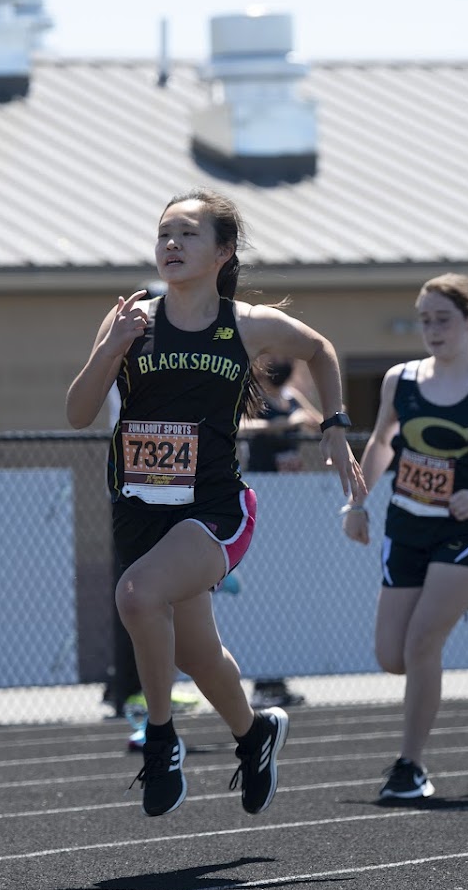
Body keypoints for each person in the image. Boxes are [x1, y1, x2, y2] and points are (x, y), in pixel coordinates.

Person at [66, 188, 364, 818]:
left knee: (136, 596)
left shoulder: (247, 324)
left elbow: (320, 350)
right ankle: (255, 734)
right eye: (163, 233)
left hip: (216, 508)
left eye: (187, 234)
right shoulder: (131, 318)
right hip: (141, 507)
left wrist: (334, 427)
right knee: (195, 653)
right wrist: (111, 346)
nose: (170, 244)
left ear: (223, 251)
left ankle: (161, 739)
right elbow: (78, 412)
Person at [343, 273, 468, 801]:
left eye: (442, 319)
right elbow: (382, 442)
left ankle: (410, 765)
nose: (432, 330)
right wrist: (357, 503)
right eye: (424, 320)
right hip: (407, 526)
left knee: (422, 643)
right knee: (392, 656)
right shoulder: (400, 380)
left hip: (466, 531)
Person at [239, 356, 324, 709]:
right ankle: (264, 680)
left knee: (289, 586)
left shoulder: (290, 397)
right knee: (266, 587)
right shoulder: (255, 397)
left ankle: (277, 678)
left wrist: (311, 418)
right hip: (264, 497)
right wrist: (283, 424)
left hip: (291, 502)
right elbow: (241, 427)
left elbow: (318, 423)